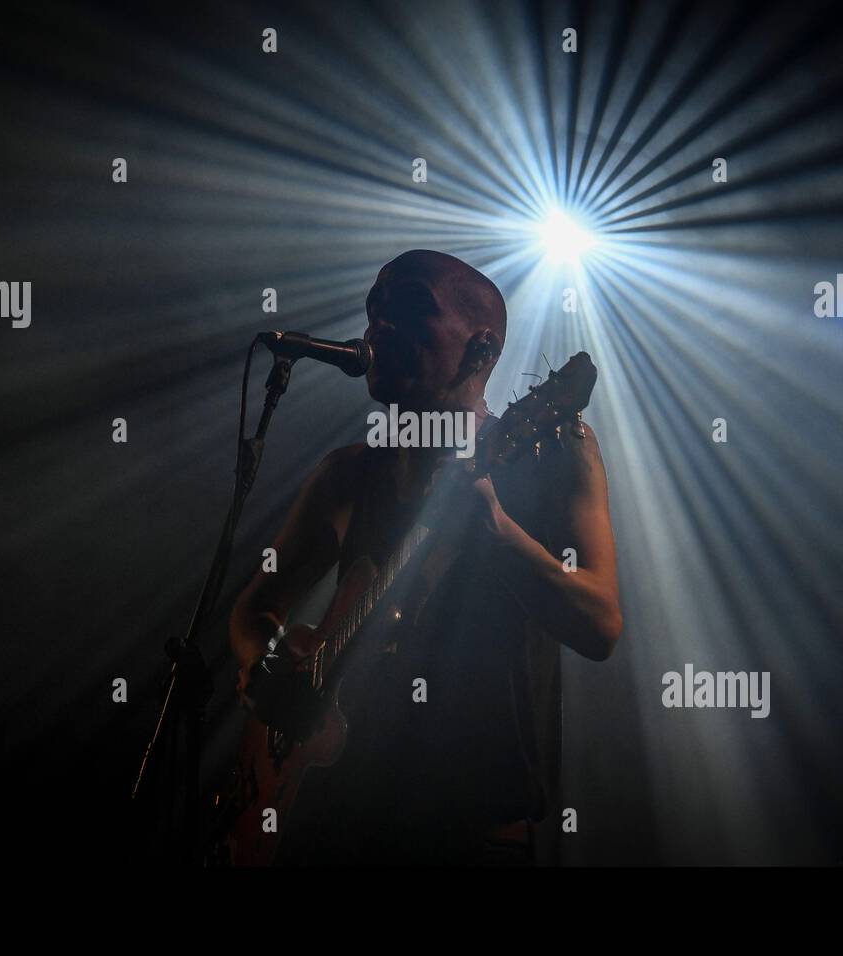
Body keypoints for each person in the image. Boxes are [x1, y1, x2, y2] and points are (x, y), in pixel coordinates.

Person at [228, 249, 621, 865]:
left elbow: (601, 623)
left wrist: (499, 533)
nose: (377, 327)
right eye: (373, 311)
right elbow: (253, 610)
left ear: (482, 350)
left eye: (409, 308)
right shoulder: (349, 474)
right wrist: (271, 662)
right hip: (334, 826)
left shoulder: (555, 448)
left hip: (473, 831)